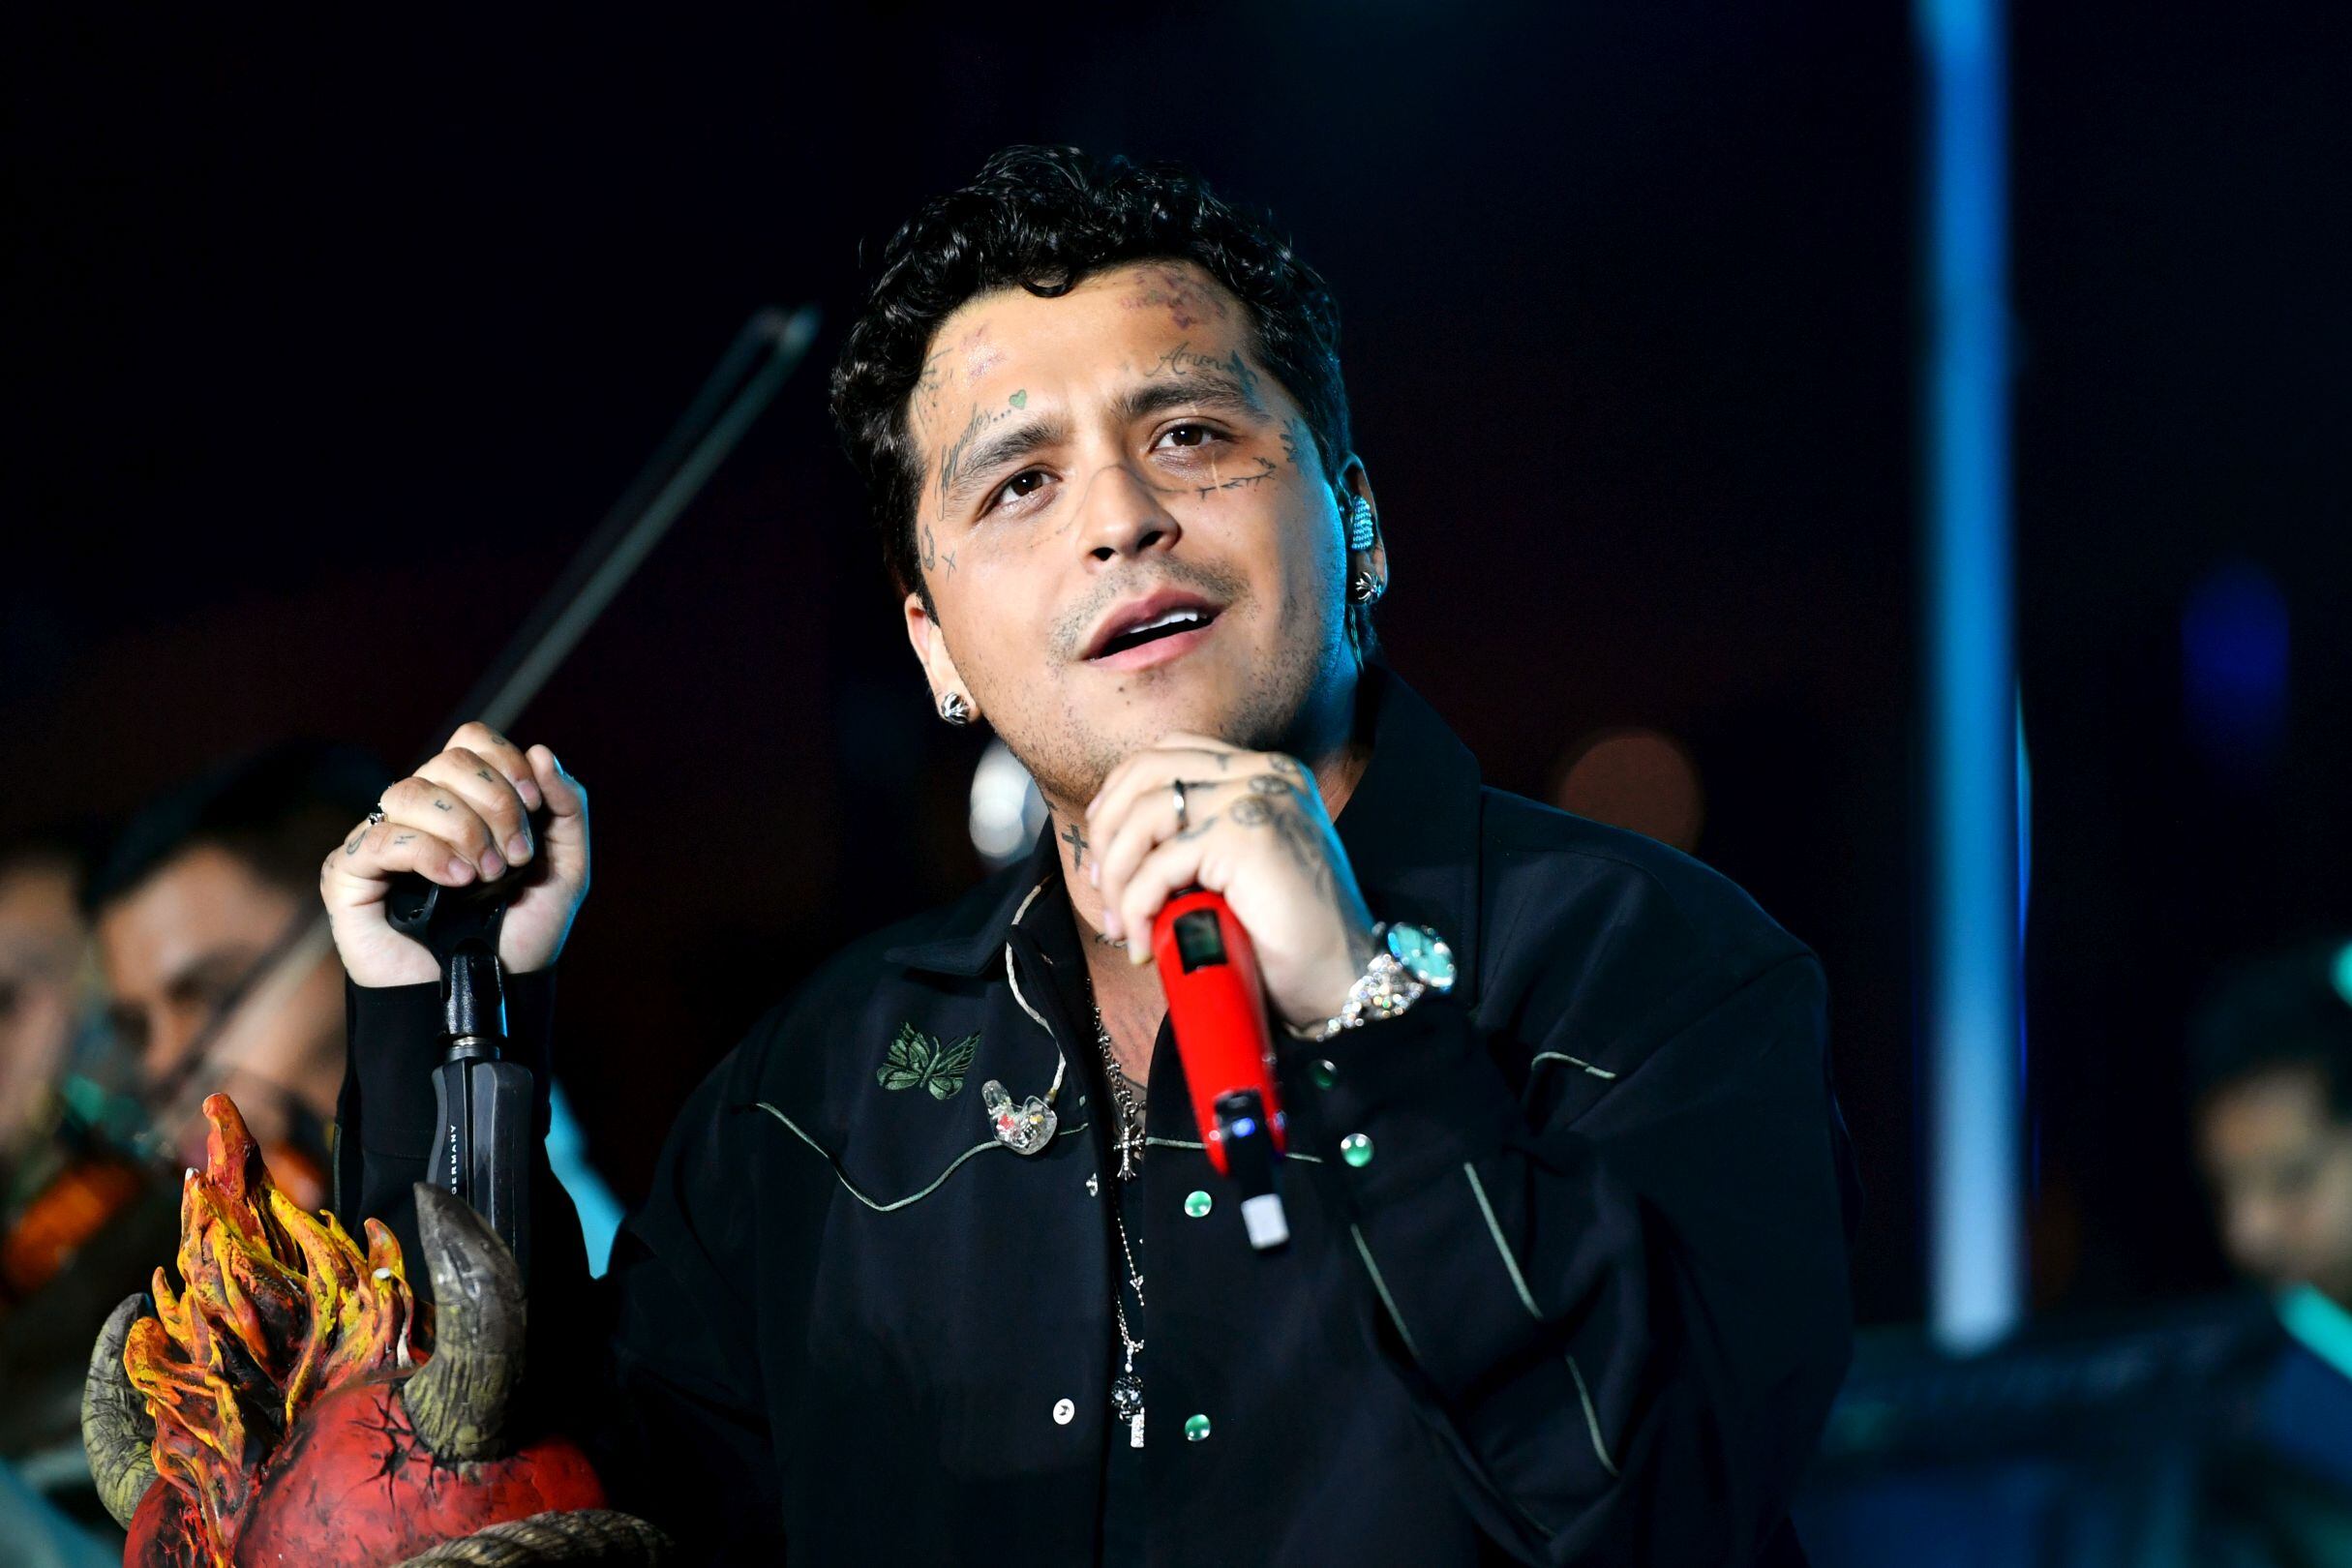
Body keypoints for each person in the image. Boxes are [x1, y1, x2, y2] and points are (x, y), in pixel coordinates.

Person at [329, 146, 1859, 1565]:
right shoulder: (811, 1098)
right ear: (935, 645)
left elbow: (1667, 1499)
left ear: (1357, 521)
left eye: (1189, 436)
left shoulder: (1649, 967)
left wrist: (1359, 1012)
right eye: (1020, 484)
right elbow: (543, 1508)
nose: (1121, 520)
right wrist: (447, 1026)